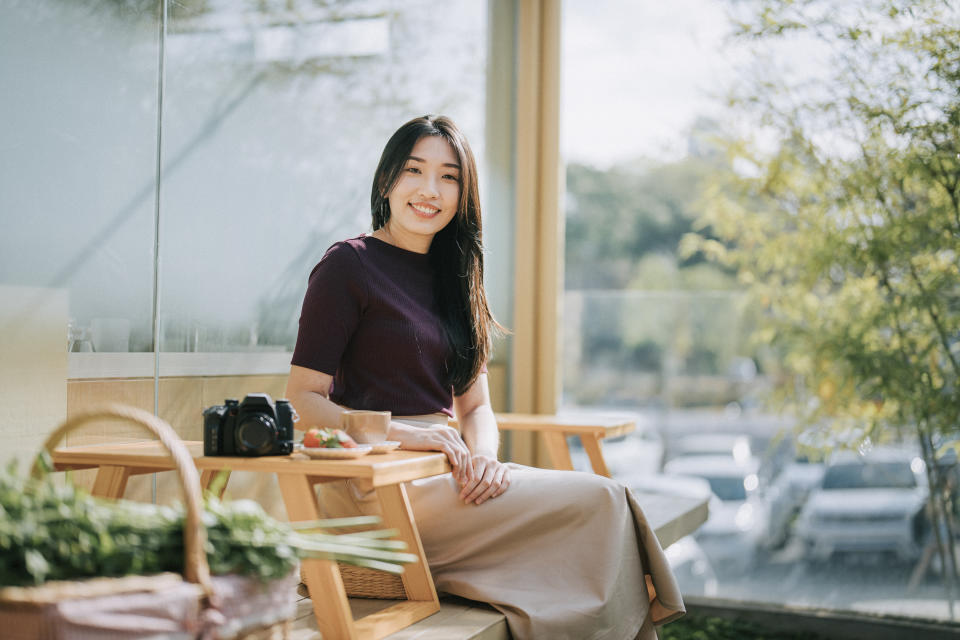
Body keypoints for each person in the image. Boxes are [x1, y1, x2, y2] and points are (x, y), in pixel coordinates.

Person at [285, 115, 684, 639]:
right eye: (414, 171)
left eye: (449, 177)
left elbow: (476, 409)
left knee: (604, 505)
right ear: (386, 181)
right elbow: (303, 399)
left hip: (452, 476)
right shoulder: (348, 265)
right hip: (377, 484)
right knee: (603, 505)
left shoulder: (458, 278)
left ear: (463, 193)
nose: (431, 190)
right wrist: (409, 434)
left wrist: (484, 462)